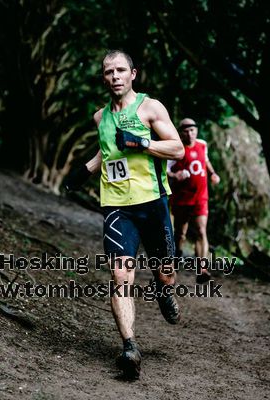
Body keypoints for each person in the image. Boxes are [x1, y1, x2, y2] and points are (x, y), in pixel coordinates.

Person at [64, 50, 184, 380]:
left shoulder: (150, 107)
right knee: (120, 276)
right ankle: (130, 347)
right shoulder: (100, 118)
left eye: (120, 70)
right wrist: (85, 170)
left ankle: (164, 290)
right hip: (118, 207)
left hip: (154, 203)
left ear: (133, 74)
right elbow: (110, 151)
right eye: (108, 72)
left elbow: (177, 148)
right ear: (103, 78)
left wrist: (143, 143)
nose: (114, 76)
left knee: (165, 273)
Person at [167, 118, 220, 283]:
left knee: (201, 231)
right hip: (182, 199)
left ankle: (201, 269)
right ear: (180, 132)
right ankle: (174, 263)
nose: (189, 134)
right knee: (180, 234)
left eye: (192, 130)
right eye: (186, 131)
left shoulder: (202, 144)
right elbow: (165, 170)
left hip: (200, 198)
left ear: (196, 131)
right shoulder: (176, 149)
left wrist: (212, 174)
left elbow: (206, 160)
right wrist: (175, 175)